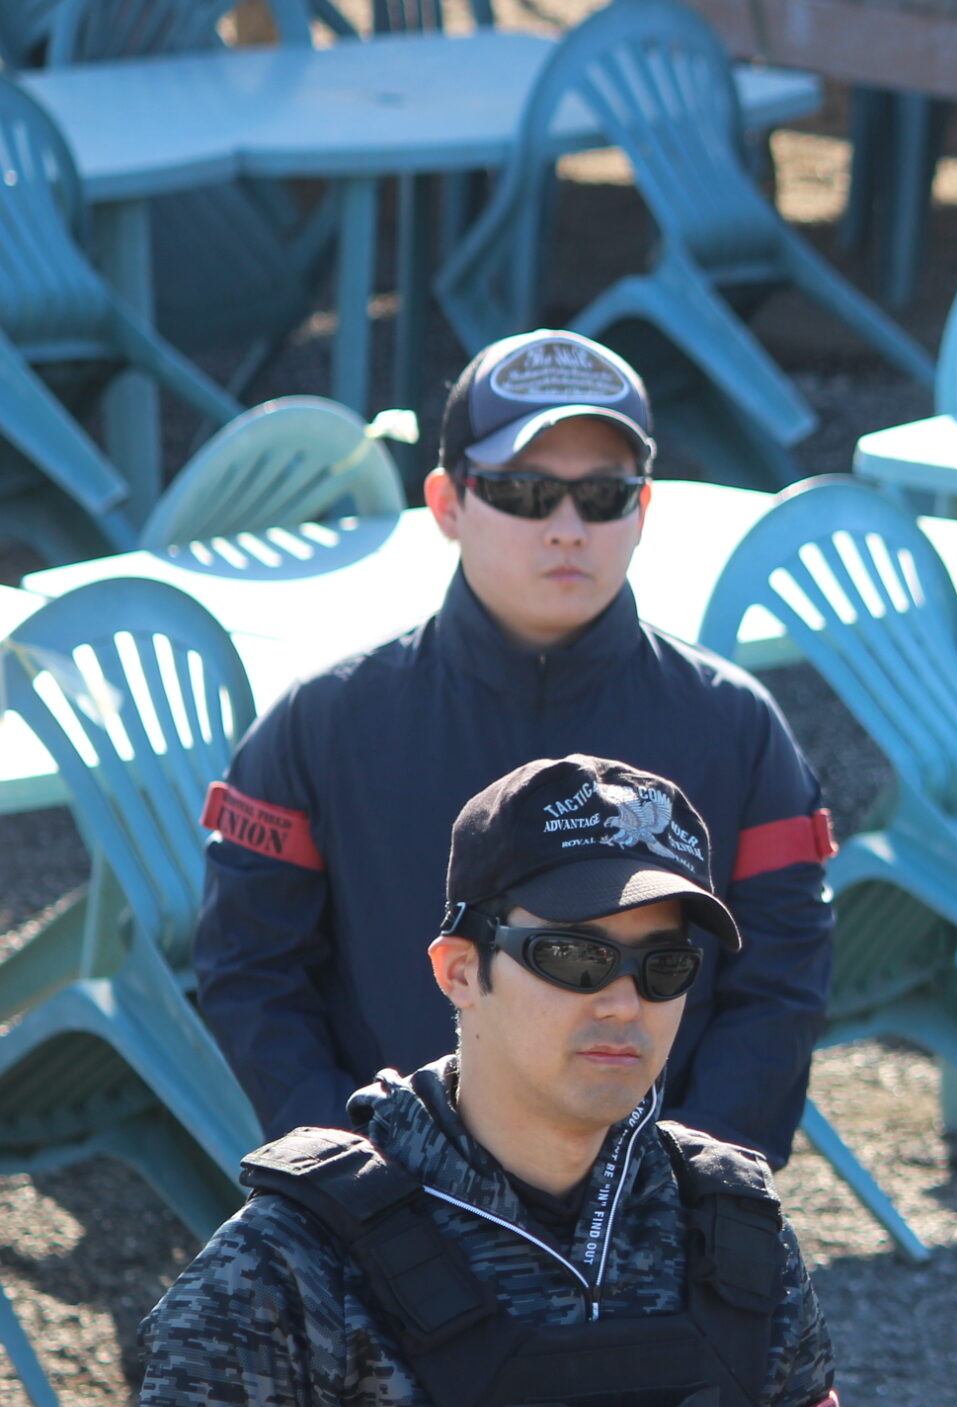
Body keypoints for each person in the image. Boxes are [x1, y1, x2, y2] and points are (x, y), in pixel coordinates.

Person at [128, 755, 879, 1407]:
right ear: (459, 971)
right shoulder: (284, 1271)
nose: (622, 1002)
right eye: (573, 956)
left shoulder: (737, 1234)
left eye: (664, 966)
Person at [195, 328, 834, 1167]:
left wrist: (693, 1184)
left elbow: (781, 981)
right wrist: (348, 1174)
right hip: (389, 1196)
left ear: (643, 509)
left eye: (603, 494)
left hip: (651, 1203)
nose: (567, 526)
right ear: (446, 503)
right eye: (524, 492)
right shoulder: (323, 721)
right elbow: (250, 967)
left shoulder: (735, 724)